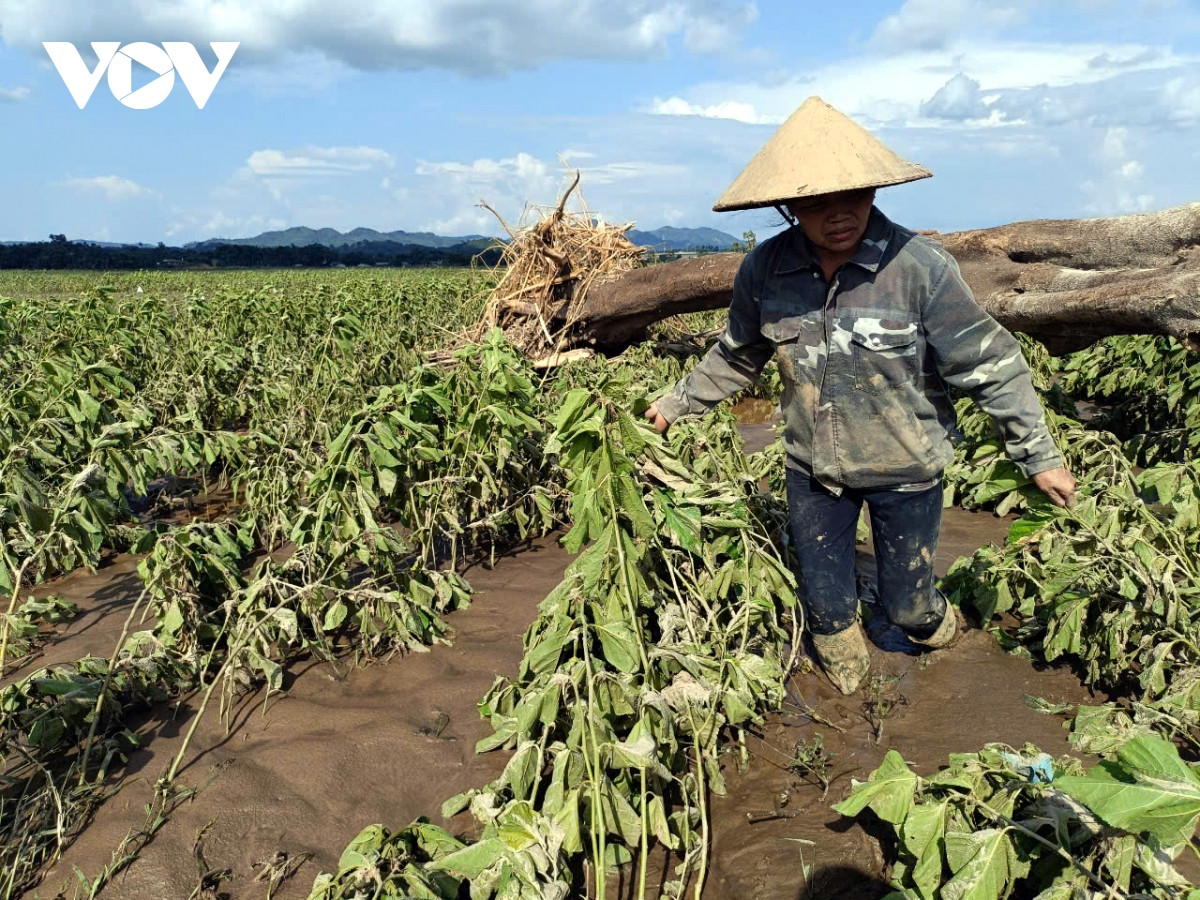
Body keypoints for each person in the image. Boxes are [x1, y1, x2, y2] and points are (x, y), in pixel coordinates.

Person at [643, 96, 1077, 695]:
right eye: (817, 202)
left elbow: (991, 363)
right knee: (828, 616)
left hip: (907, 470)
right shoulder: (765, 271)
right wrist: (672, 406)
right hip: (814, 471)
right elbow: (737, 354)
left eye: (854, 196)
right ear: (789, 206)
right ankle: (857, 712)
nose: (839, 214)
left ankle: (941, 631)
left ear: (875, 192)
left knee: (909, 611)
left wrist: (1039, 455)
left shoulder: (919, 267)